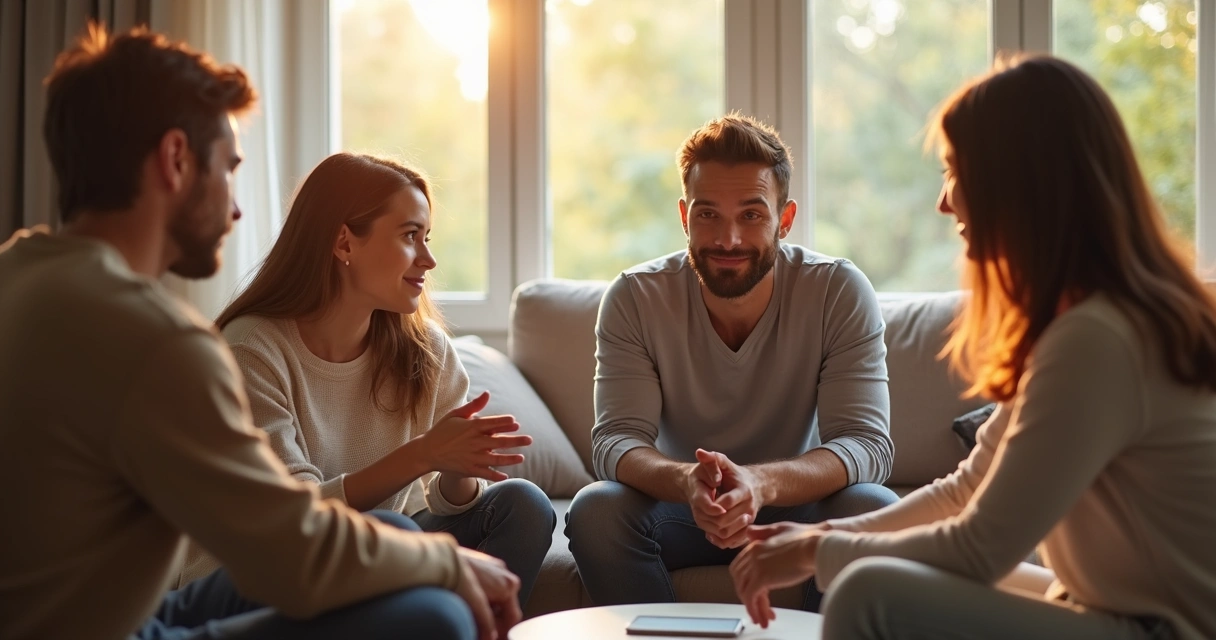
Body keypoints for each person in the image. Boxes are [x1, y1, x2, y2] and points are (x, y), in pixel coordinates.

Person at [0, 24, 521, 640]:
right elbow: (291, 553)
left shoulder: (18, 273)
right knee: (431, 612)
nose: (237, 208)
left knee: (403, 545)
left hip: (119, 613)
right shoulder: (156, 342)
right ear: (175, 160)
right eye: (229, 168)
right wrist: (446, 563)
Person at [729, 55, 1216, 640]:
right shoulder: (1083, 322)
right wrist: (823, 540)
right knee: (888, 568)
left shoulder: (1099, 339)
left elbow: (980, 546)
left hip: (1163, 628)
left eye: (958, 171)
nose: (944, 201)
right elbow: (965, 489)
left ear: (1024, 181)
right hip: (1108, 608)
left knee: (868, 591)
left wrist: (819, 551)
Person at [177, 152, 556, 607]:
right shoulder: (251, 349)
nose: (429, 260)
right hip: (262, 572)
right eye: (410, 236)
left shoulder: (425, 350)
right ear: (344, 244)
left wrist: (457, 471)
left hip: (371, 552)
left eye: (427, 237)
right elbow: (294, 518)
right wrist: (423, 453)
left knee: (523, 505)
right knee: (393, 530)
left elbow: (437, 502)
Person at [564, 113, 899, 610]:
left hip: (795, 507)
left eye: (750, 214)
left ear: (784, 219)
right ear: (684, 216)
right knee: (596, 510)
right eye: (708, 215)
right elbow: (615, 442)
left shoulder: (836, 290)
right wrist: (685, 481)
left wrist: (760, 483)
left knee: (873, 506)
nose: (728, 240)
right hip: (684, 510)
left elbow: (868, 444)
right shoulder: (635, 296)